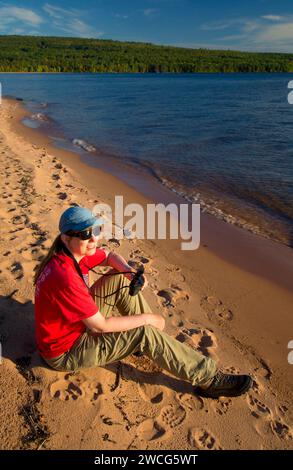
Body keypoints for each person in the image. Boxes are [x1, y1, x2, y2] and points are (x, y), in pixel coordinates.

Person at [34, 206, 252, 398]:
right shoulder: (64, 276)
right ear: (65, 238)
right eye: (85, 234)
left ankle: (147, 343)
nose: (94, 239)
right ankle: (209, 379)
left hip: (73, 328)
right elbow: (100, 325)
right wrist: (147, 319)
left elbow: (109, 255)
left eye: (96, 231)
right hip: (65, 352)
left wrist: (129, 274)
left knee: (118, 277)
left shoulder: (71, 254)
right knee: (143, 332)